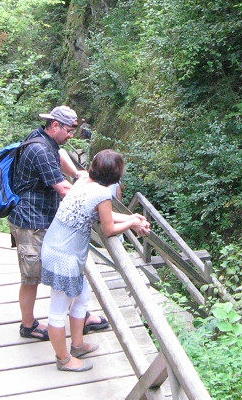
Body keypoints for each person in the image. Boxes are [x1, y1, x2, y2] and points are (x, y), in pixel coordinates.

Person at [40, 149, 150, 371]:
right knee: (58, 309)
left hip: (57, 247)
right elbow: (109, 229)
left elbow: (104, 215)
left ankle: (78, 344)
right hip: (64, 257)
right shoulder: (101, 193)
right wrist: (131, 223)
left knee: (82, 296)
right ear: (115, 174)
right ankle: (64, 360)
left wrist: (132, 217)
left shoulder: (82, 181)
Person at [9, 105, 111, 340]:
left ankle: (80, 315)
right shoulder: (40, 150)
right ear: (55, 125)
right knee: (31, 276)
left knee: (68, 266)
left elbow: (61, 155)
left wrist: (78, 174)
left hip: (45, 218)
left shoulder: (42, 139)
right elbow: (65, 190)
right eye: (68, 131)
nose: (71, 136)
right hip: (30, 222)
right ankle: (28, 325)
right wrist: (95, 198)